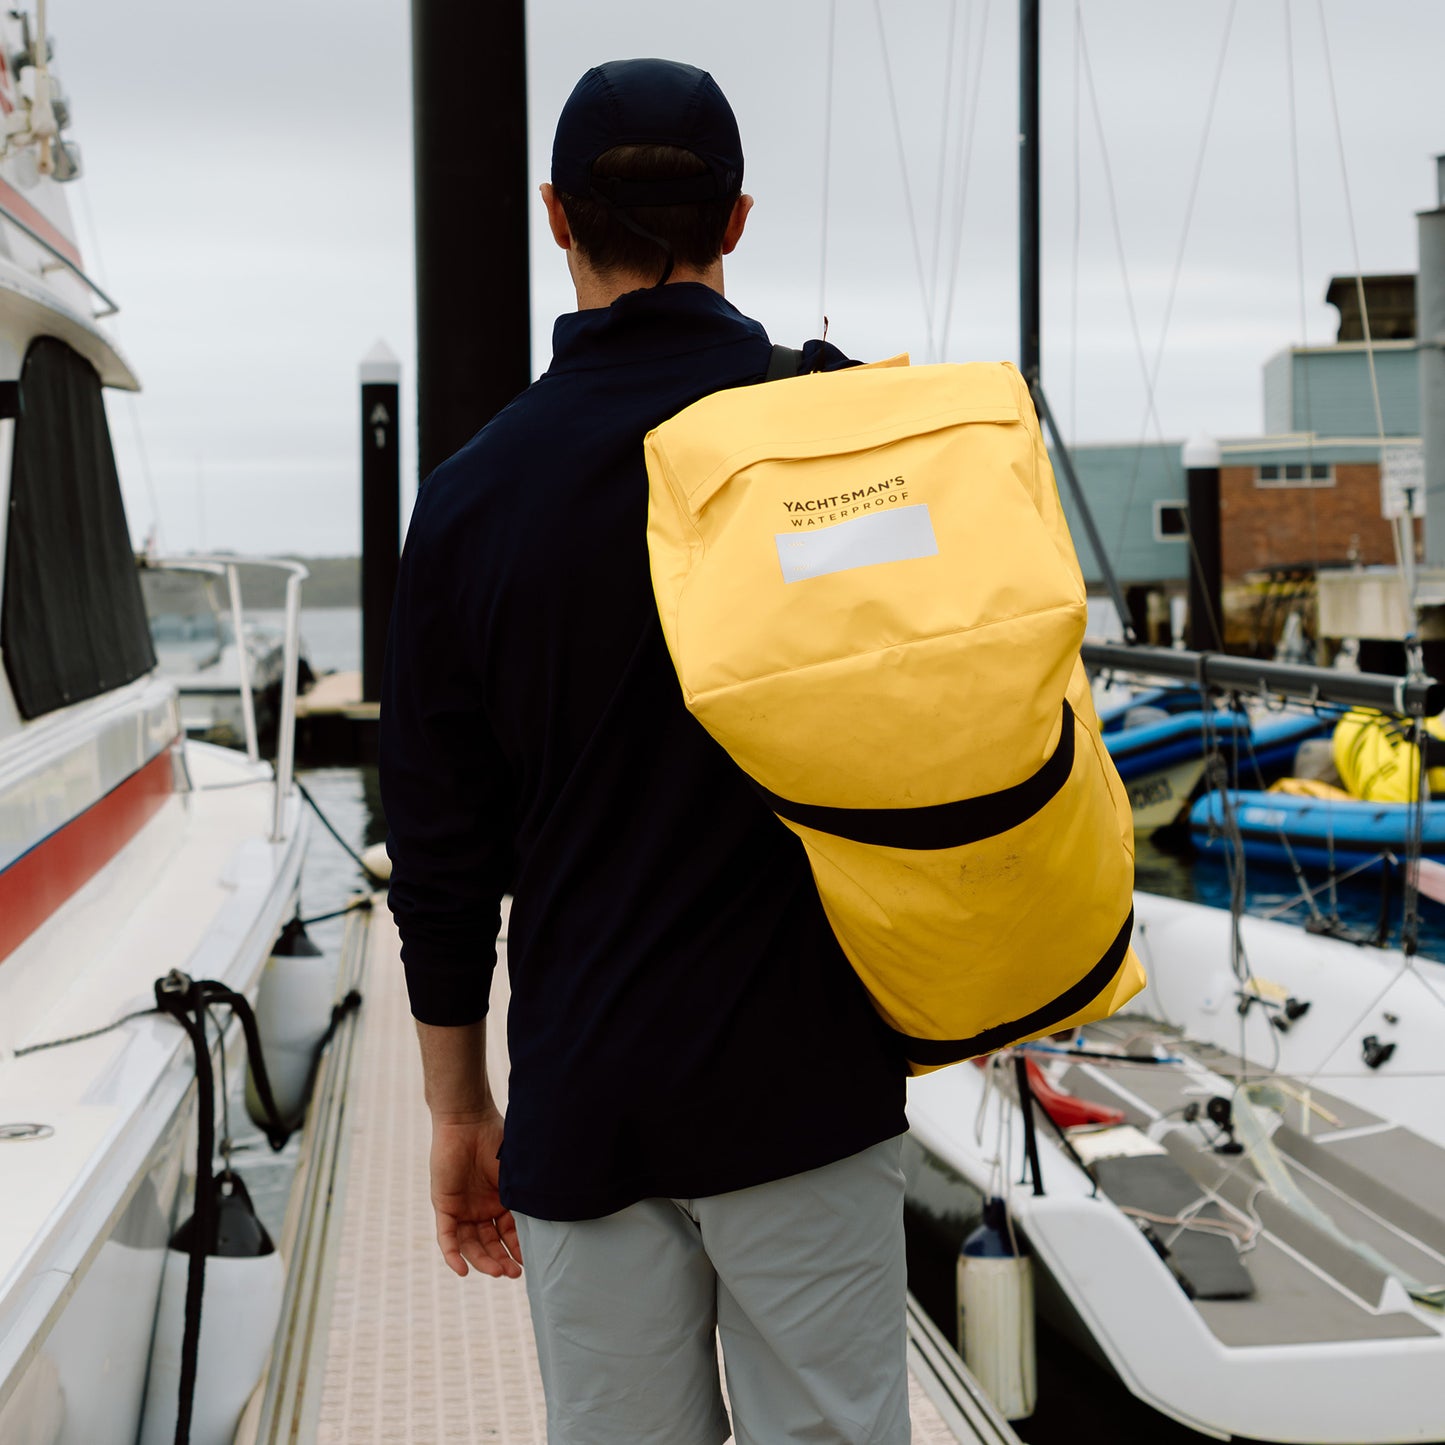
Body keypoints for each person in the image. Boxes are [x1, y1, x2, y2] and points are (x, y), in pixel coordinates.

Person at [380, 57, 909, 1445]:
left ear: (557, 216)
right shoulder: (837, 443)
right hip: (812, 1078)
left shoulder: (469, 499)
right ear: (734, 223)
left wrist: (459, 1109)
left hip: (586, 1090)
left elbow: (438, 858)